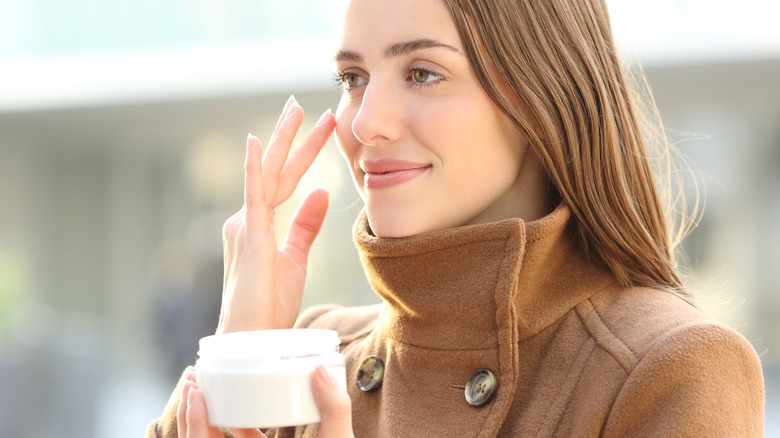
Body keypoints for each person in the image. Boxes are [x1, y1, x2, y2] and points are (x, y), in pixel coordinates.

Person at [147, 0, 765, 436]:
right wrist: (233, 362)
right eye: (353, 77)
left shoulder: (669, 369)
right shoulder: (307, 359)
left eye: (422, 73)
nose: (364, 123)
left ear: (540, 92)